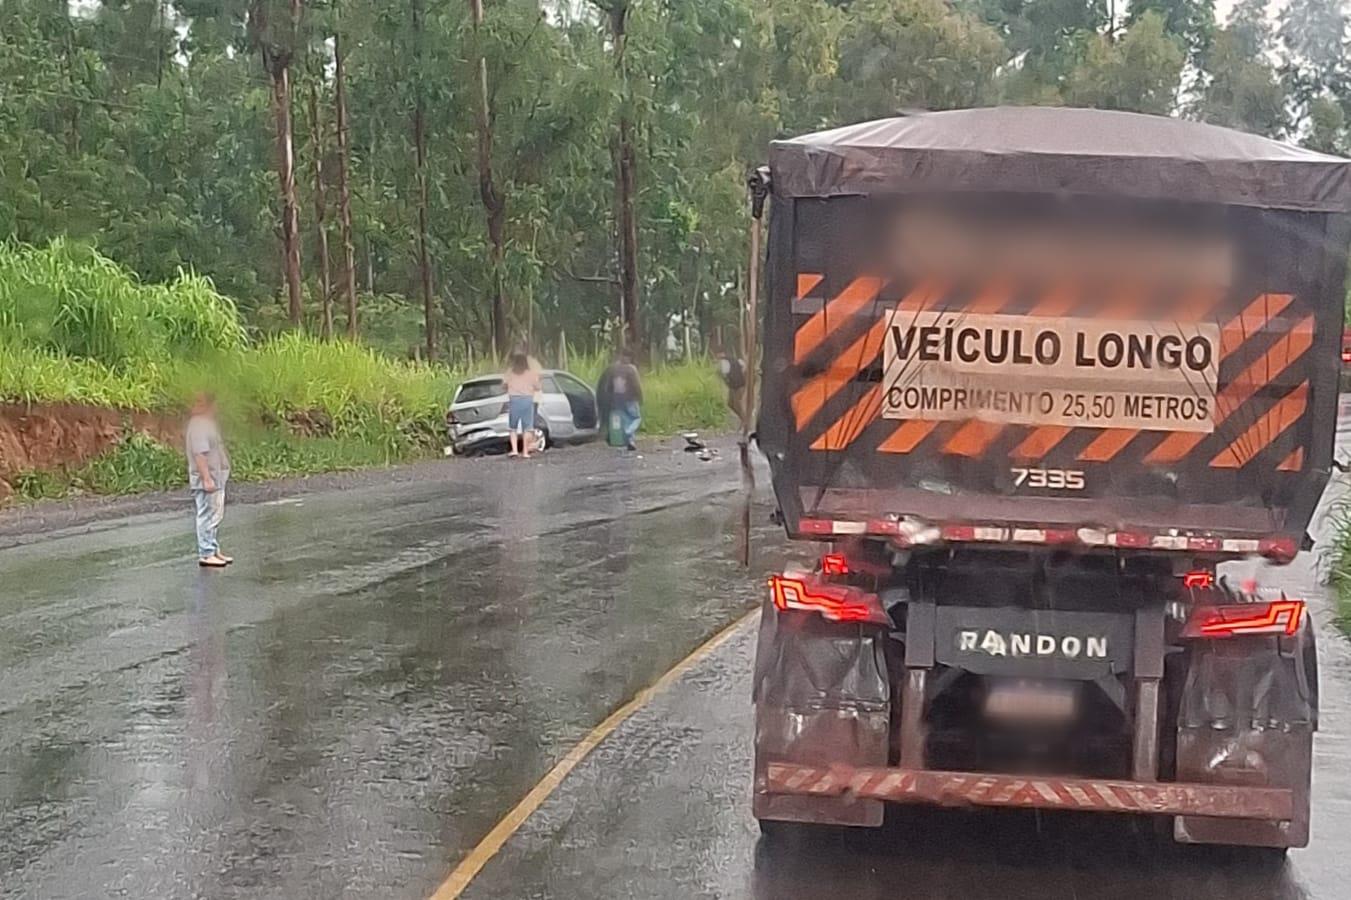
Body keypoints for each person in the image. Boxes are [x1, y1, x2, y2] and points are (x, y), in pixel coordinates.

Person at [185, 392, 231, 568]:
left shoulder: (207, 424)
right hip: (208, 478)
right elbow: (199, 453)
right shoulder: (198, 426)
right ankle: (206, 552)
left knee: (215, 514)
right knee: (207, 515)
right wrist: (206, 478)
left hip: (216, 477)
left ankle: (213, 548)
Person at [597, 350, 643, 451]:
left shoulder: (612, 369)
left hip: (617, 399)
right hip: (630, 399)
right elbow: (637, 385)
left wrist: (609, 399)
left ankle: (626, 439)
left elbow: (607, 385)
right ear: (629, 358)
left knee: (624, 418)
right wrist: (640, 397)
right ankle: (628, 434)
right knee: (636, 418)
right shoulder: (631, 369)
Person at [504, 351, 542, 458]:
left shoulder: (510, 373)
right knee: (527, 427)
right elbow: (538, 387)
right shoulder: (531, 373)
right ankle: (525, 452)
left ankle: (514, 450)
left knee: (513, 427)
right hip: (527, 400)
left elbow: (503, 385)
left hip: (514, 400)